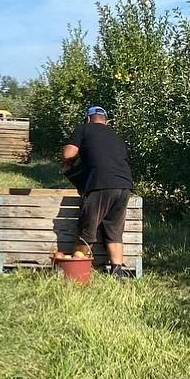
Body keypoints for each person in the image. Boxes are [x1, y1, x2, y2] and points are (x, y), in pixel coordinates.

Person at [61, 106, 134, 275]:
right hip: (124, 185)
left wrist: (68, 166)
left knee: (87, 229)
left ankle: (76, 272)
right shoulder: (116, 137)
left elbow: (68, 154)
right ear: (106, 120)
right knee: (115, 231)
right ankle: (117, 273)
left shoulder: (84, 129)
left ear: (88, 119)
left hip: (100, 184)